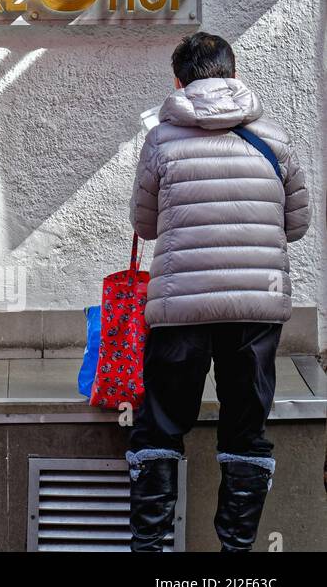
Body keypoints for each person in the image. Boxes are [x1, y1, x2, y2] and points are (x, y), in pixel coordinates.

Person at [127, 32, 309, 551]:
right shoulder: (273, 137)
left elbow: (145, 224)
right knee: (246, 428)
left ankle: (152, 550)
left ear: (179, 80)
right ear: (232, 73)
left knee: (160, 427)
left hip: (181, 306)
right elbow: (295, 224)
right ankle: (236, 555)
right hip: (256, 306)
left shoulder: (162, 139)